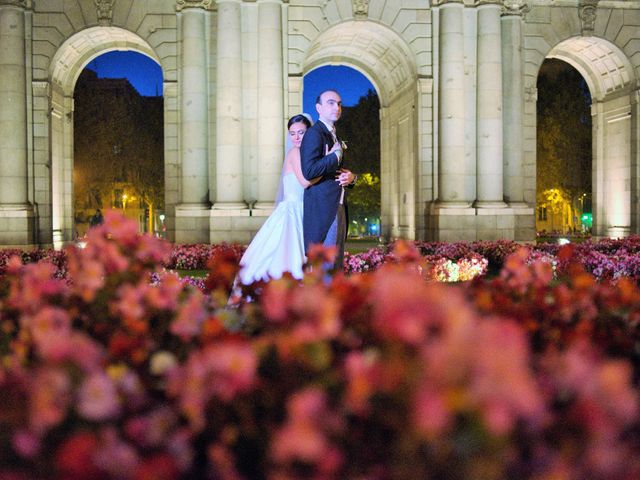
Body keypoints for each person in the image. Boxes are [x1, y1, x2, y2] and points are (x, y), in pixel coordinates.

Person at [237, 114, 313, 284]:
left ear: (309, 132)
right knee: (288, 252)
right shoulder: (295, 153)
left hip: (300, 209)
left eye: (301, 132)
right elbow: (305, 182)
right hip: (293, 211)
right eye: (292, 133)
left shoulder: (304, 154)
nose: (296, 137)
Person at [300, 89, 356, 271]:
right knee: (326, 264)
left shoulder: (334, 135)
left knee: (336, 262)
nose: (337, 107)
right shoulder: (314, 134)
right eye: (331, 103)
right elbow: (309, 171)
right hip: (323, 207)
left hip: (338, 204)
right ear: (319, 108)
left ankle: (333, 298)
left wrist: (351, 178)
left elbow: (335, 170)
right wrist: (335, 157)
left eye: (339, 104)